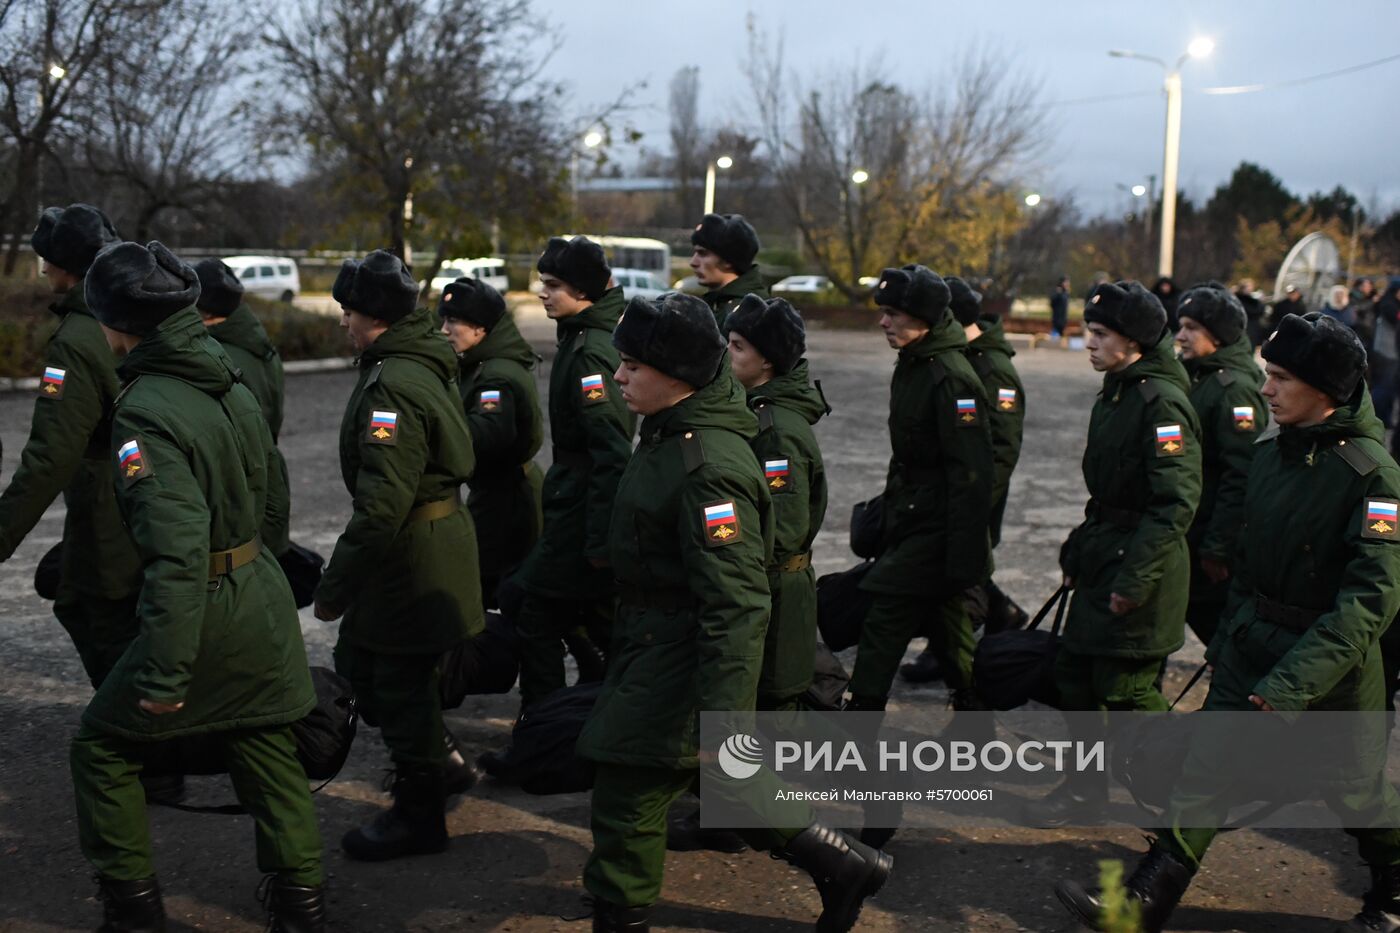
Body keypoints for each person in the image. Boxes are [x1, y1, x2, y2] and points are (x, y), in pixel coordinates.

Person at [1056, 313, 1400, 933]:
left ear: (1327, 390)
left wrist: (1294, 681)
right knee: (1206, 772)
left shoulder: (1372, 475)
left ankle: (1395, 890)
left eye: (1281, 378)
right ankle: (1141, 907)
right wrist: (1234, 634)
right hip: (1253, 649)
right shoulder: (1272, 458)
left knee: (1355, 794)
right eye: (1268, 375)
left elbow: (1370, 601)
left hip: (1332, 677)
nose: (1265, 389)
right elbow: (1248, 568)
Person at [576, 291, 890, 933]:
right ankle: (844, 864)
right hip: (654, 642)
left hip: (682, 653)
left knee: (629, 794)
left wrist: (726, 721)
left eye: (633, 365)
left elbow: (739, 601)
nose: (618, 377)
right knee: (709, 786)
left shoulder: (709, 465)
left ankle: (620, 914)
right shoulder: (670, 431)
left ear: (679, 375)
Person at [73, 240, 324, 932]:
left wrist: (166, 669)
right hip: (256, 591)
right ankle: (302, 905)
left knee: (101, 745)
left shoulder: (145, 408)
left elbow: (176, 550)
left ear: (117, 322)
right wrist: (260, 570)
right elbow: (273, 492)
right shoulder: (224, 371)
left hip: (206, 605)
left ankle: (133, 909)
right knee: (264, 746)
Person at [313, 249, 484, 861]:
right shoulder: (410, 362)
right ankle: (444, 767)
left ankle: (420, 812)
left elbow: (383, 503)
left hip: (412, 558)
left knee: (400, 684)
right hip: (416, 549)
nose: (342, 323)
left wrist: (335, 585)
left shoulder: (396, 383)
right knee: (368, 671)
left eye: (349, 312)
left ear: (376, 317)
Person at [1027, 281, 1201, 827]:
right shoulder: (1119, 391)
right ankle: (1085, 790)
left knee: (1127, 694)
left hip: (1140, 570)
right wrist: (1080, 551)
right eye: (1089, 330)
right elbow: (1108, 494)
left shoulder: (1160, 402)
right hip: (1106, 556)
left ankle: (1186, 798)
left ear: (1135, 342)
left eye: (1100, 334)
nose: (1088, 342)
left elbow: (1175, 501)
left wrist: (1135, 580)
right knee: (1077, 678)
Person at [0, 203, 141, 687]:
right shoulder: (129, 316)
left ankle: (145, 747)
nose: (42, 270)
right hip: (144, 498)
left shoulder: (77, 339)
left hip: (108, 510)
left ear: (68, 266)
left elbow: (50, 454)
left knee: (102, 620)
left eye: (49, 260)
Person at [847, 265, 995, 717]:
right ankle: (974, 713)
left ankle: (860, 728)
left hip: (937, 526)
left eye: (893, 313)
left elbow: (972, 475)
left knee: (885, 616)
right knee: (947, 624)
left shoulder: (950, 377)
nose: (883, 321)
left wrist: (966, 556)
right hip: (912, 516)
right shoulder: (915, 363)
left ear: (924, 317)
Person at [509, 236, 634, 712]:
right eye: (543, 282)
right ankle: (600, 708)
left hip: (583, 507)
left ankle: (541, 729)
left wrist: (601, 539)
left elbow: (611, 451)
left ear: (583, 291)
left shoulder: (589, 353)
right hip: (576, 500)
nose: (543, 292)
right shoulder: (583, 338)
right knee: (596, 619)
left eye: (554, 285)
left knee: (536, 614)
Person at [902, 275, 1027, 683]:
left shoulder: (992, 370)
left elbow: (1002, 451)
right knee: (960, 572)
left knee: (961, 576)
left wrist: (974, 504)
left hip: (975, 496)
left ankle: (954, 653)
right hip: (953, 495)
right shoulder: (958, 359)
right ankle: (996, 614)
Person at [723, 293, 828, 711]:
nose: (725, 353)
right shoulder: (755, 410)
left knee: (775, 707)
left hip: (776, 591)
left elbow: (783, 531)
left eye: (737, 346)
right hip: (765, 586)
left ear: (766, 360)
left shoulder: (776, 429)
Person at [436, 277, 544, 607]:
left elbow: (487, 435)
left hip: (507, 502)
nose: (444, 330)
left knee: (491, 593)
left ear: (481, 329)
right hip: (500, 494)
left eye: (453, 321)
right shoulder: (484, 363)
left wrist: (433, 433)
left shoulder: (495, 376)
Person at [1174, 283, 1267, 647]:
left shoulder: (1234, 390)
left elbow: (1240, 473)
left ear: (1218, 336)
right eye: (1180, 325)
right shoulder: (1199, 375)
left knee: (1216, 625)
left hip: (1207, 533)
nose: (1180, 336)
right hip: (1189, 526)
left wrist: (1218, 545)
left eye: (1191, 328)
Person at [192, 258, 291, 557]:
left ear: (205, 310)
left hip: (241, 492)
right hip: (267, 478)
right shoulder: (258, 346)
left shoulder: (218, 357)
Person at [689, 212, 766, 326]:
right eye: (694, 253)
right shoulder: (715, 305)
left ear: (728, 261)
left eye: (702, 254)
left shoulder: (749, 314)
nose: (693, 262)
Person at [1235, 278, 1269, 349]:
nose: (1250, 289)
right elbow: (1255, 311)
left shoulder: (1250, 300)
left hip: (1251, 329)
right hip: (1246, 329)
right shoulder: (1241, 300)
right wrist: (1260, 302)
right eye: (1248, 287)